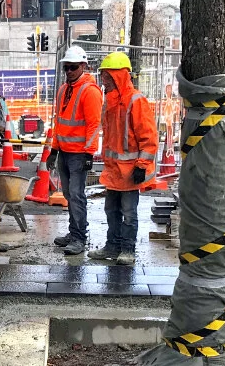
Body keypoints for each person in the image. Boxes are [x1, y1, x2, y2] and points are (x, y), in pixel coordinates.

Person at [87, 52, 158, 266]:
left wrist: (142, 165)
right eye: (103, 76)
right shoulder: (110, 102)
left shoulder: (135, 100)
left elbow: (149, 136)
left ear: (119, 76)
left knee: (128, 213)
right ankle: (113, 246)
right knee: (112, 210)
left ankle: (127, 249)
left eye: (107, 76)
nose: (103, 80)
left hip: (129, 170)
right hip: (115, 170)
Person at [46, 45, 103, 256]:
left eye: (72, 67)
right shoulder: (64, 90)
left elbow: (94, 125)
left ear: (83, 66)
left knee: (77, 195)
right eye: (66, 68)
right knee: (70, 194)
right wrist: (54, 150)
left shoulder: (90, 92)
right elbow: (59, 122)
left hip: (79, 154)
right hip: (65, 152)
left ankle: (79, 237)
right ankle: (74, 232)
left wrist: (89, 153)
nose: (69, 71)